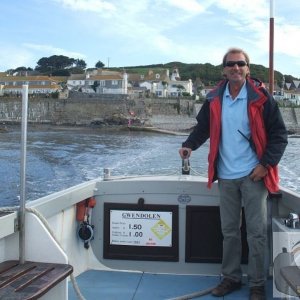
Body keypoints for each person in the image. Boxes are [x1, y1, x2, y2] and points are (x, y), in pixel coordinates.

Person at [179, 47, 288, 300]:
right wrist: (189, 145)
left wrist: (265, 165)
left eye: (240, 64)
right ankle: (231, 278)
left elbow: (279, 137)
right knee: (229, 231)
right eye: (230, 64)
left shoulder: (261, 97)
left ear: (248, 68)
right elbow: (203, 127)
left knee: (256, 232)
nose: (235, 68)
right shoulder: (215, 98)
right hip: (226, 175)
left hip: (253, 175)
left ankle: (258, 284)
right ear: (224, 69)